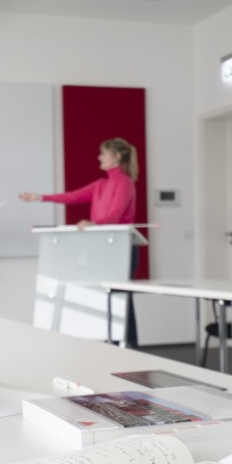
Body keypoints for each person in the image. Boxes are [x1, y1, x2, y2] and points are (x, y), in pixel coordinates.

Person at [19, 137, 140, 347]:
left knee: (120, 301)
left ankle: (130, 346)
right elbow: (72, 197)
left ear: (117, 157)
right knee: (104, 300)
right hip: (102, 249)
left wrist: (94, 223)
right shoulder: (102, 184)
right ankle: (109, 345)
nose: (99, 157)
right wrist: (40, 197)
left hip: (122, 250)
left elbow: (114, 214)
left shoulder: (124, 183)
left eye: (103, 153)